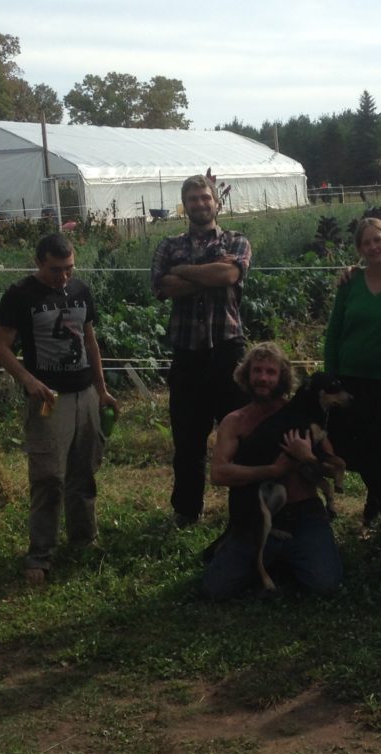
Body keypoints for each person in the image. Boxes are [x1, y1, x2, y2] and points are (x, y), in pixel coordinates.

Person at [0, 233, 118, 584]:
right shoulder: (20, 296)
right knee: (49, 478)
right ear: (38, 262)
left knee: (84, 472)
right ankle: (40, 555)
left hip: (85, 395)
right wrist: (28, 380)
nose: (62, 277)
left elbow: (89, 339)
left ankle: (84, 539)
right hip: (49, 399)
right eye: (55, 270)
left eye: (68, 269)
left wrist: (102, 389)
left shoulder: (80, 290)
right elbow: (1, 347)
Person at [201, 343, 344, 600]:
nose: (263, 378)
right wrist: (273, 470)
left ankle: (283, 559)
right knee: (215, 588)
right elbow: (219, 474)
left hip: (304, 513)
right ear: (246, 375)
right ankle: (258, 553)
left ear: (282, 378)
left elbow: (333, 471)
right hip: (256, 516)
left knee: (326, 585)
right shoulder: (234, 421)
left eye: (271, 372)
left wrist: (307, 457)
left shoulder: (303, 413)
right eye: (257, 371)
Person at [151, 174, 251, 528]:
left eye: (204, 197)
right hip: (187, 354)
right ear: (185, 205)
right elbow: (163, 286)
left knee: (240, 434)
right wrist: (208, 272)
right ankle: (186, 511)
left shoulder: (237, 241)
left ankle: (245, 508)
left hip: (228, 351)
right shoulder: (167, 244)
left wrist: (184, 273)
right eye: (192, 199)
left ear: (216, 202)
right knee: (188, 440)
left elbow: (228, 276)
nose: (199, 204)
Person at [324, 217, 381, 525]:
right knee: (352, 448)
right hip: (349, 379)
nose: (374, 246)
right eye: (366, 242)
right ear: (359, 249)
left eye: (379, 239)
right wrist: (330, 378)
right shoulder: (351, 282)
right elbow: (334, 332)